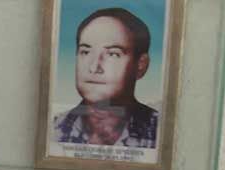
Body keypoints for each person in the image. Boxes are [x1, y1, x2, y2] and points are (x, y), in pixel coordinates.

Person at [53, 8, 159, 148]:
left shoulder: (160, 131)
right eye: (85, 52)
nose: (94, 67)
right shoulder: (52, 130)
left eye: (113, 54)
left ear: (141, 65)